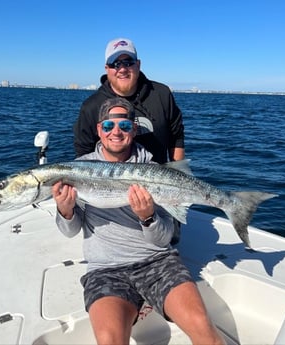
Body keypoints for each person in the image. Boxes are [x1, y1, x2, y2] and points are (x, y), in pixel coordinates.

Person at [52, 97, 225, 345]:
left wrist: (148, 217)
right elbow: (71, 231)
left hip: (158, 261)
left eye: (124, 125)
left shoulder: (157, 172)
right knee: (109, 340)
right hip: (106, 270)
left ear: (134, 129)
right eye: (109, 126)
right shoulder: (78, 169)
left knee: (205, 332)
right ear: (99, 129)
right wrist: (66, 211)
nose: (116, 132)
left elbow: (163, 238)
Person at [73, 37, 185, 164]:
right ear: (107, 69)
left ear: (138, 65)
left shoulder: (162, 94)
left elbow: (176, 137)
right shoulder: (91, 106)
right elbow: (84, 152)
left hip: (157, 179)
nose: (122, 69)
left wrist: (177, 178)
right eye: (115, 64)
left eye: (128, 62)